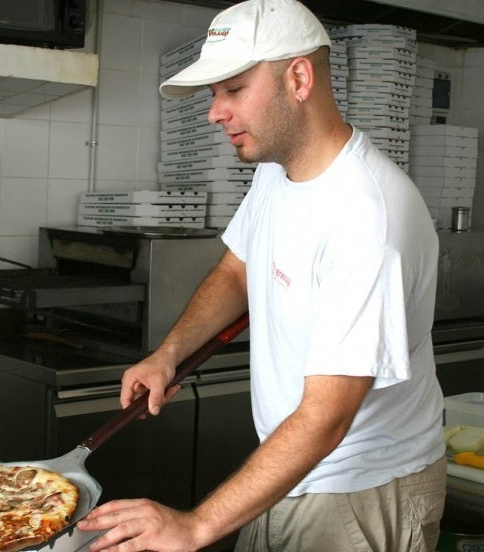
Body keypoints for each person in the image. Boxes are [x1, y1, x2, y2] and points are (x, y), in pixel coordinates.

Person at [76, 0, 446, 550]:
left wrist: (197, 524)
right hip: (288, 469)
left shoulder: (367, 217)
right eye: (213, 95)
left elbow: (325, 420)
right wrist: (169, 354)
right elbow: (236, 271)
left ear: (298, 77)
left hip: (357, 492)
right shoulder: (278, 171)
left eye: (233, 90)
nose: (214, 113)